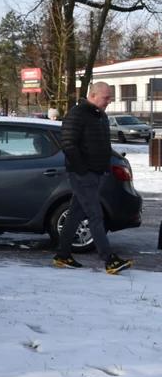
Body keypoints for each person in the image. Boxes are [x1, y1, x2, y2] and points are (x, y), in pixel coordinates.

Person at [54, 82, 132, 273]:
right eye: (106, 97)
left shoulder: (100, 116)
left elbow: (102, 145)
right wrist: (82, 170)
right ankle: (109, 259)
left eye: (110, 98)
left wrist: (103, 168)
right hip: (82, 174)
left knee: (75, 214)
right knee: (96, 215)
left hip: (95, 173)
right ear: (93, 95)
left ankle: (62, 254)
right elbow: (68, 144)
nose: (109, 101)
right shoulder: (77, 114)